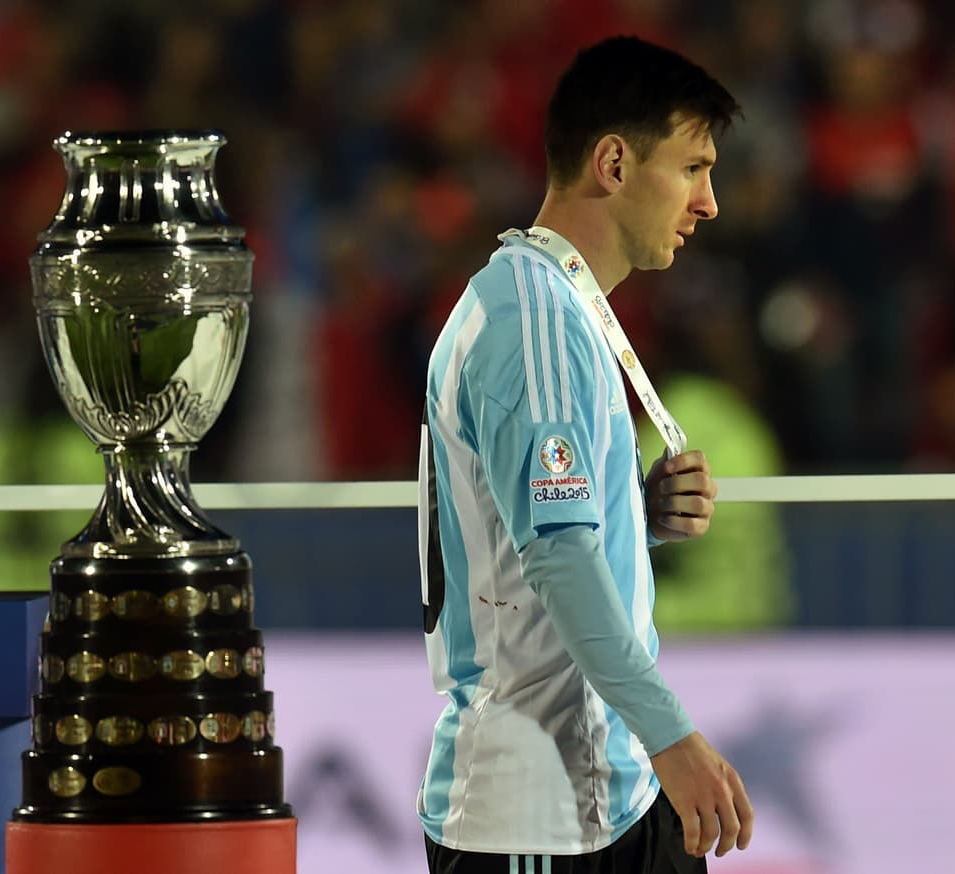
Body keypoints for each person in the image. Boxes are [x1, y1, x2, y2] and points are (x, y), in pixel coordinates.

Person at [417, 35, 754, 873]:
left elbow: (529, 543)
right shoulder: (535, 327)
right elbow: (559, 560)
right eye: (692, 167)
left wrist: (632, 520)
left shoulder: (546, 305)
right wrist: (673, 735)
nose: (709, 202)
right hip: (542, 812)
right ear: (612, 162)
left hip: (604, 789)